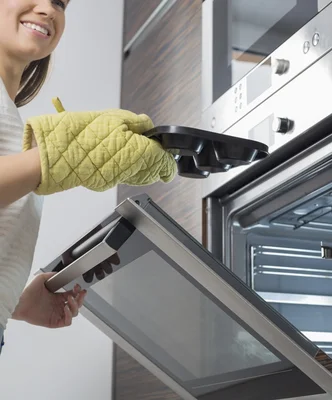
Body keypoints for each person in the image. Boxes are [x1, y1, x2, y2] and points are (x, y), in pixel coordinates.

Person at [0, 0, 176, 354]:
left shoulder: (11, 118)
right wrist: (68, 153)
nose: (49, 10)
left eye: (60, 3)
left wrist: (14, 302)